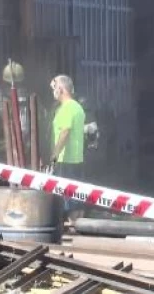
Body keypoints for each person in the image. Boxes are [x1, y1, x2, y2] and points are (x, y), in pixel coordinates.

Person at [48, 74, 86, 221]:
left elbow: (65, 132)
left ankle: (72, 226)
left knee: (68, 198)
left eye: (53, 88)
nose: (53, 92)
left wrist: (54, 155)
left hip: (65, 160)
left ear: (60, 88)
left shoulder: (67, 108)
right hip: (76, 159)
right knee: (75, 197)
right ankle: (76, 225)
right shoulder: (77, 107)